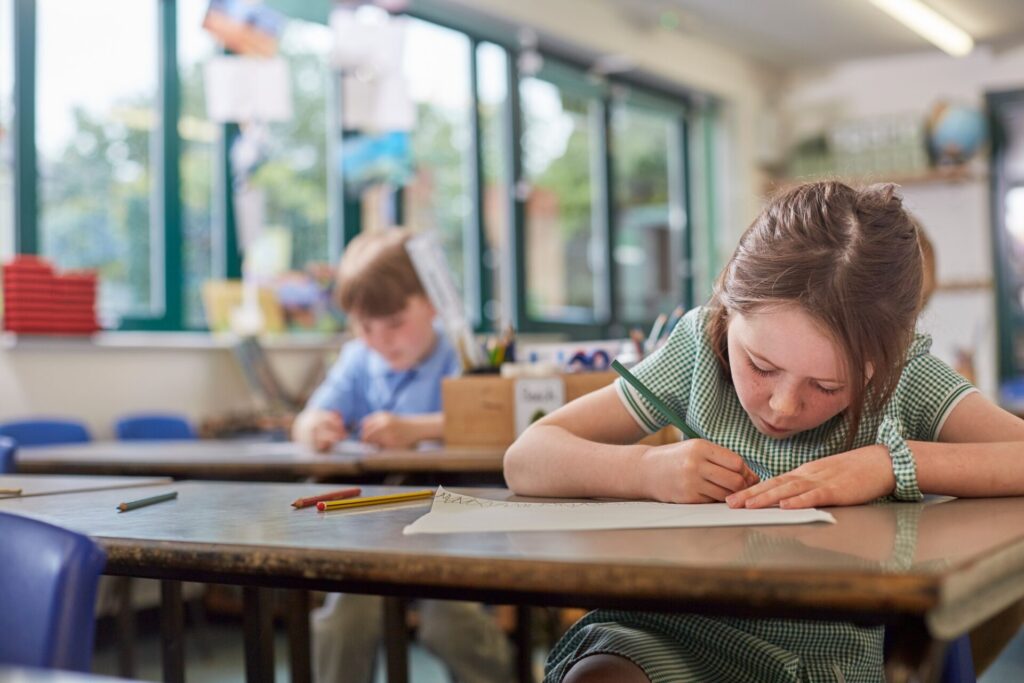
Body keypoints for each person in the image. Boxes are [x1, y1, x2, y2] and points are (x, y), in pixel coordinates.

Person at [504, 181, 1024, 683]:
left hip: (817, 658)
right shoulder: (697, 350)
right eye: (759, 365)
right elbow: (527, 457)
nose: (782, 405)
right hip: (665, 627)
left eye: (826, 385)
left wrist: (889, 463)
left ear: (881, 363)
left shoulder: (904, 375)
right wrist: (644, 470)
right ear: (729, 309)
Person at [293, 227, 512, 683]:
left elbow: (498, 422)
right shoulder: (358, 360)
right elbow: (306, 420)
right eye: (364, 327)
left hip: (456, 520)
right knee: (344, 622)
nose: (380, 340)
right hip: (377, 526)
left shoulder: (462, 354)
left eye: (394, 323)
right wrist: (316, 426)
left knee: (452, 624)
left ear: (431, 303)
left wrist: (418, 429)